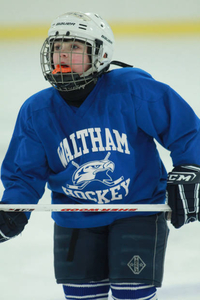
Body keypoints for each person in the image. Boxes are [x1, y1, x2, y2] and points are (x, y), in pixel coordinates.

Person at [0, 11, 200, 300]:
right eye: (57, 47)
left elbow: (184, 130)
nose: (62, 55)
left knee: (132, 294)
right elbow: (25, 173)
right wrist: (14, 209)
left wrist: (190, 166)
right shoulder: (37, 110)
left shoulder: (132, 89)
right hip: (75, 216)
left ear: (101, 54)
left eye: (74, 47)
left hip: (138, 210)